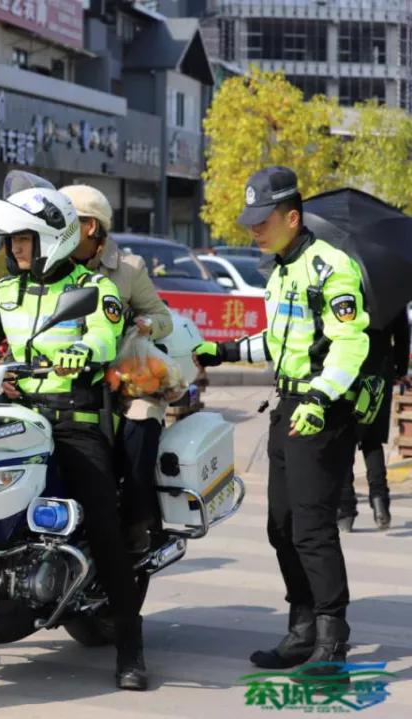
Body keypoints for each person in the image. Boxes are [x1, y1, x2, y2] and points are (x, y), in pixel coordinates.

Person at [0, 184, 147, 690]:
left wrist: (84, 352)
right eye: (11, 239)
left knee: (104, 524)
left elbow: (105, 337)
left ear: (54, 238)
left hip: (75, 423)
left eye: (25, 238)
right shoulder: (5, 291)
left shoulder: (96, 289)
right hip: (21, 416)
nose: (15, 248)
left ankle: (130, 645)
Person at [195, 166, 368, 680]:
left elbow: (350, 341)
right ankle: (301, 628)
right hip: (286, 406)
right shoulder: (281, 271)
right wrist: (222, 348)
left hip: (323, 410)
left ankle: (332, 636)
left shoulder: (330, 267)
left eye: (262, 219)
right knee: (281, 526)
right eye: (249, 219)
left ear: (292, 217)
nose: (253, 228)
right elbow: (276, 342)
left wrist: (319, 397)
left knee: (313, 528)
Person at [61, 184, 173, 554]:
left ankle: (139, 524)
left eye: (66, 221)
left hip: (124, 382)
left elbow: (162, 317)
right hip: (63, 380)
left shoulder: (129, 269)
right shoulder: (52, 268)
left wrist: (143, 326)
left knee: (139, 432)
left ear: (90, 227)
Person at [336, 313, 410, 531]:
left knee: (344, 440)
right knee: (372, 440)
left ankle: (346, 510)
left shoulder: (346, 285)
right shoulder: (387, 290)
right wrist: (401, 369)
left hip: (347, 370)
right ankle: (379, 501)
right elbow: (402, 335)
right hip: (379, 372)